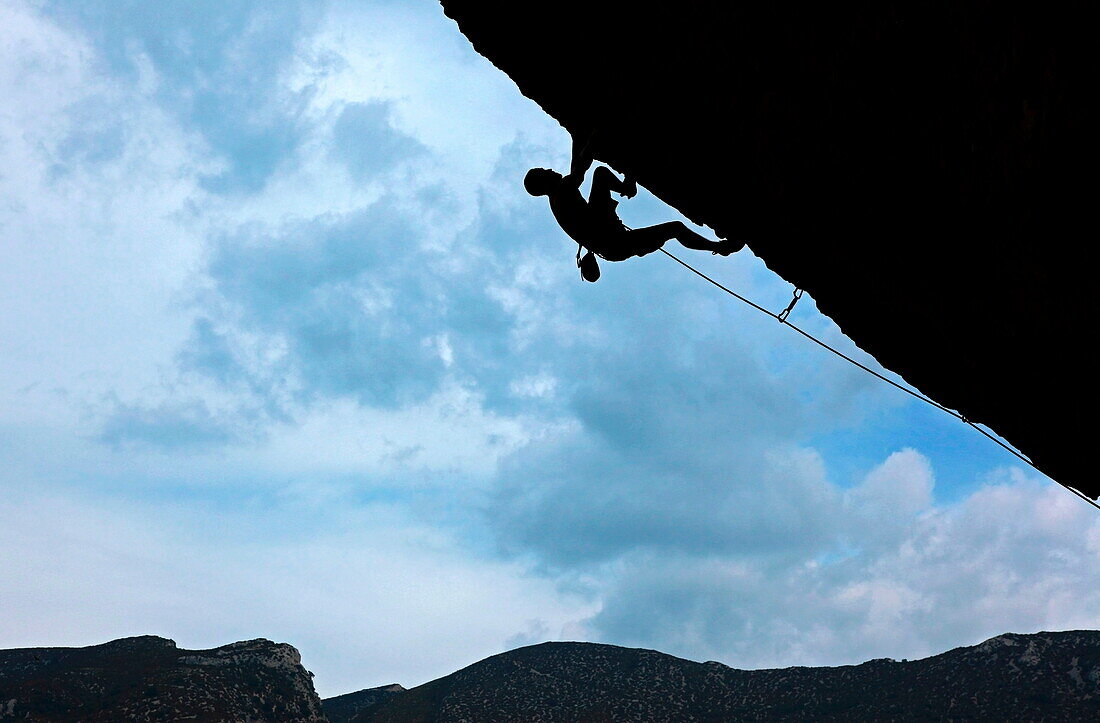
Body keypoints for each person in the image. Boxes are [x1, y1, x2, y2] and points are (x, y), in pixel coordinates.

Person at [524, 136, 742, 281]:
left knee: (674, 229)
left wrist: (579, 140)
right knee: (674, 228)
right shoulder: (560, 192)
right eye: (545, 171)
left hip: (609, 240)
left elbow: (577, 169)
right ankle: (719, 247)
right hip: (612, 240)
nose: (550, 169)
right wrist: (584, 142)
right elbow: (579, 170)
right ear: (543, 182)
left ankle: (627, 188)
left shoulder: (558, 197)